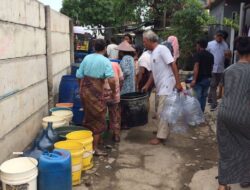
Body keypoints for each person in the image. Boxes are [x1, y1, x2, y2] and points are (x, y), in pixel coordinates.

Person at [217, 37, 250, 190]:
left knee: (226, 147)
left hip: (224, 113)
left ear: (237, 52)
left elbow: (221, 93)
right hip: (244, 114)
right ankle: (245, 179)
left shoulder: (228, 70)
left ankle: (223, 185)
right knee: (246, 146)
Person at [76, 39, 116, 156]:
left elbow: (79, 75)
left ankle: (88, 144)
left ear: (94, 47)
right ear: (104, 49)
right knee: (98, 119)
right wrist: (113, 91)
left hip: (85, 93)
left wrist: (81, 88)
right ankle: (94, 149)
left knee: (88, 117)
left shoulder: (87, 58)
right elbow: (112, 79)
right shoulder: (105, 61)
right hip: (96, 94)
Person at [142, 30, 182, 145]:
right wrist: (147, 85)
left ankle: (161, 137)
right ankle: (161, 131)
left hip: (167, 85)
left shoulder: (162, 49)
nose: (144, 44)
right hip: (160, 87)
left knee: (161, 112)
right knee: (160, 111)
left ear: (150, 40)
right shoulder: (153, 53)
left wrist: (178, 83)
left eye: (145, 42)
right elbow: (153, 74)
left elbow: (173, 64)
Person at [207, 30, 231, 111]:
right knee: (213, 85)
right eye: (218, 36)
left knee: (214, 84)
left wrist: (228, 55)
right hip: (212, 68)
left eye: (221, 36)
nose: (219, 38)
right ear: (215, 36)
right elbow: (207, 54)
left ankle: (209, 98)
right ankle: (214, 103)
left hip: (220, 68)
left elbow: (228, 57)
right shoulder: (210, 44)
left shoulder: (225, 45)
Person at [190, 39, 214, 112]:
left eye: (197, 45)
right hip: (208, 79)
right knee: (203, 97)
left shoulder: (197, 54)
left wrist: (194, 80)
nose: (196, 47)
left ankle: (198, 114)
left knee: (197, 97)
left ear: (199, 46)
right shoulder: (211, 55)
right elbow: (212, 67)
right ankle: (201, 113)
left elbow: (196, 66)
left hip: (199, 79)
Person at [104, 61, 124, 143]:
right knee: (115, 115)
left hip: (103, 94)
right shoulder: (116, 65)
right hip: (114, 94)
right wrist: (119, 89)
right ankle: (116, 135)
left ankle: (101, 137)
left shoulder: (101, 64)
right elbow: (121, 79)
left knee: (102, 115)